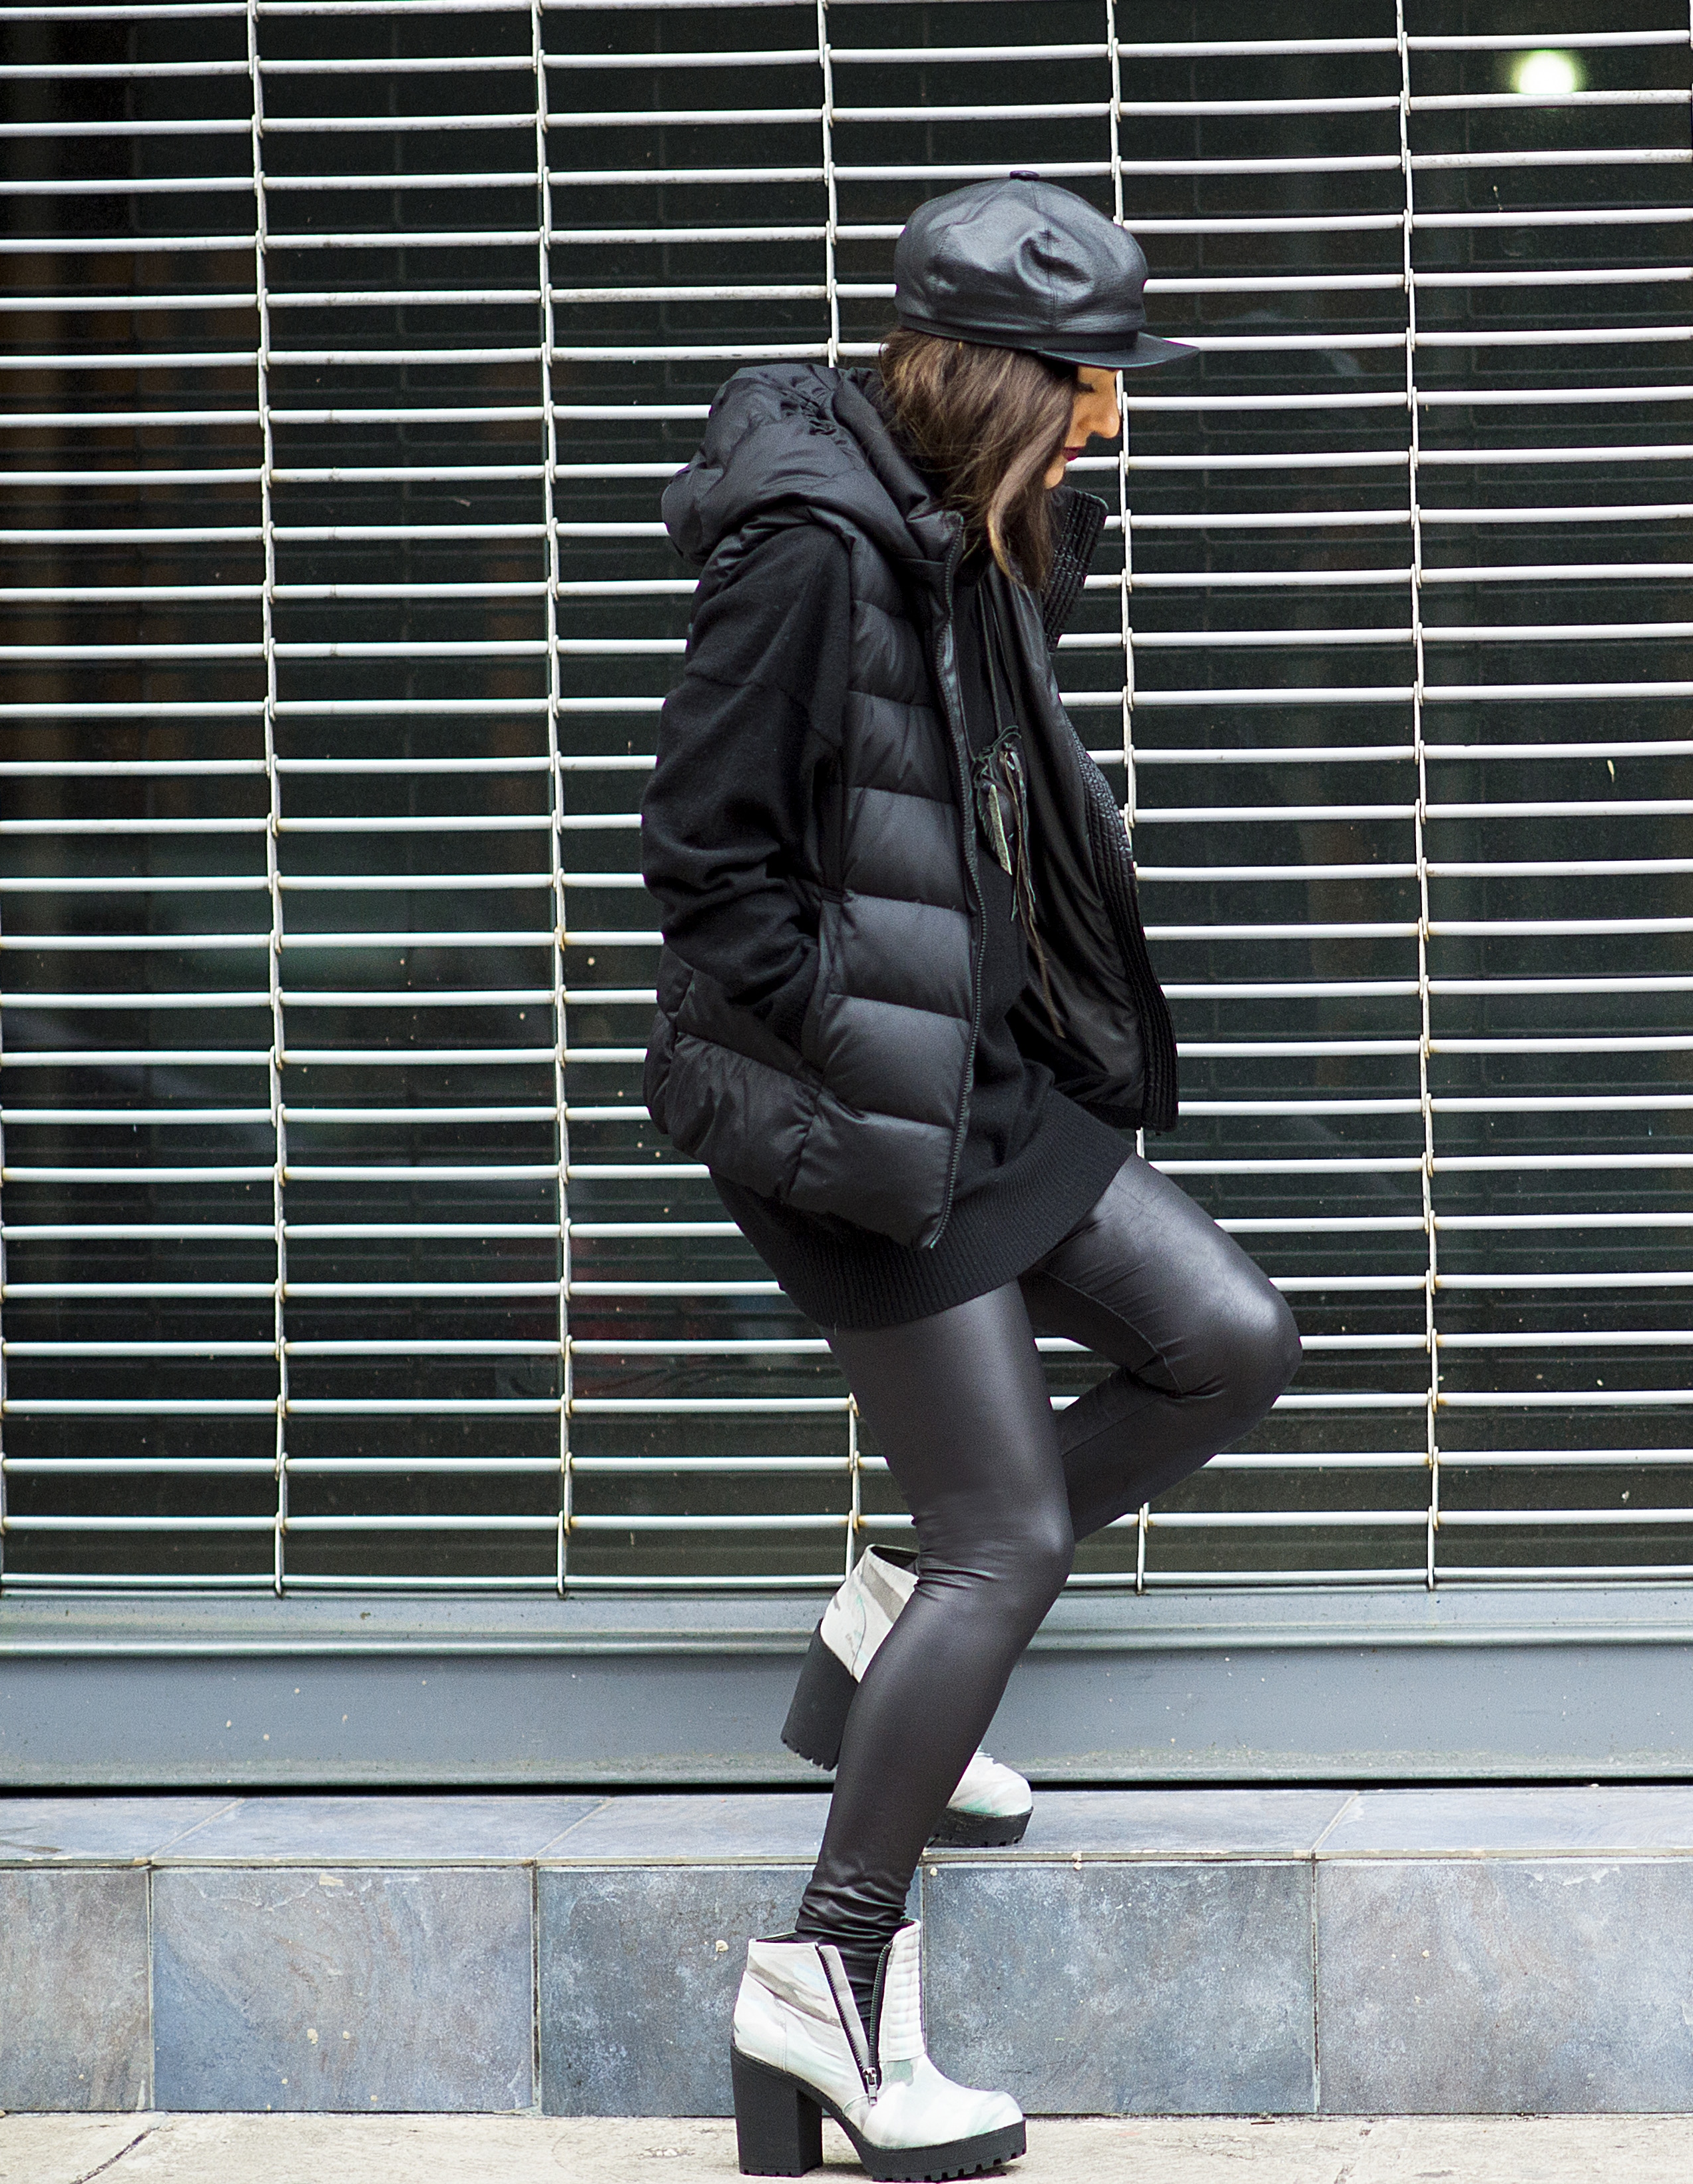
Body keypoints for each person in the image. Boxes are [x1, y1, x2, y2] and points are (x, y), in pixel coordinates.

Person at [640, 176, 1301, 2180]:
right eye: (1097, 386)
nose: (1119, 422)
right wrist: (868, 1054)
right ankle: (826, 1982)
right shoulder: (806, 564)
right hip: (854, 1109)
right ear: (1004, 382)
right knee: (1005, 1534)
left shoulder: (967, 535)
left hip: (984, 1080)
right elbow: (708, 875)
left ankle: (878, 1618)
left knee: (1225, 1342)